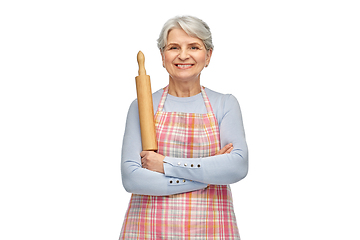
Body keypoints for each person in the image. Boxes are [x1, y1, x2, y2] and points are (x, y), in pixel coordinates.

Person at [120, 15, 248, 239]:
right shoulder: (141, 106)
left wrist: (165, 164)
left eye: (194, 46)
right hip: (149, 228)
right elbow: (132, 179)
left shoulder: (225, 104)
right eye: (173, 47)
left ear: (208, 56)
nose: (183, 55)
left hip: (211, 228)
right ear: (162, 56)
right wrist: (206, 176)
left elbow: (237, 167)